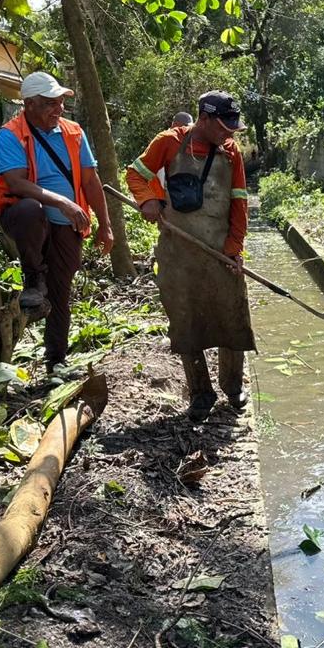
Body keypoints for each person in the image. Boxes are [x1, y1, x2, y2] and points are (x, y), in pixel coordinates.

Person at [126, 91, 253, 422]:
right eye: (223, 127)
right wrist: (148, 200)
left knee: (232, 317)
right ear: (204, 119)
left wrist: (234, 248)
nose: (229, 133)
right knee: (187, 322)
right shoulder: (168, 143)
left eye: (232, 128)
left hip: (219, 250)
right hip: (179, 253)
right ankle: (200, 393)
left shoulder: (231, 153)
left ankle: (233, 386)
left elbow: (239, 202)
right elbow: (136, 174)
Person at [0, 71, 114, 372]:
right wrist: (62, 201)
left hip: (66, 225)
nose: (58, 109)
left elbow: (90, 180)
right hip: (26, 220)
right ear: (29, 105)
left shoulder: (74, 132)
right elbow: (16, 183)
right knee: (30, 209)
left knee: (61, 291)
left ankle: (56, 361)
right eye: (49, 103)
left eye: (60, 102)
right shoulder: (10, 134)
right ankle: (33, 276)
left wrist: (105, 224)